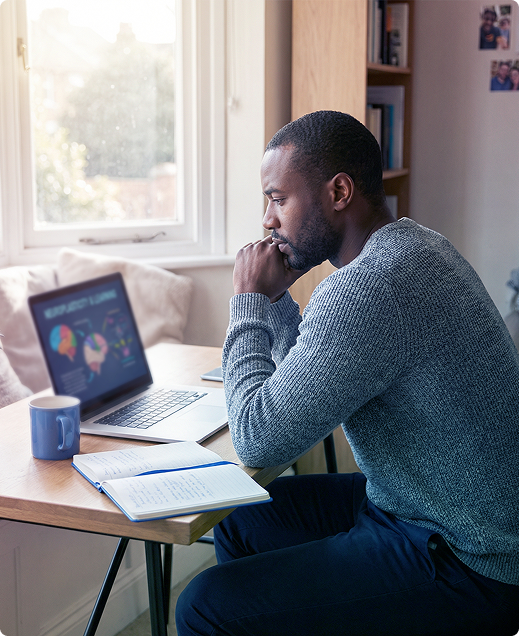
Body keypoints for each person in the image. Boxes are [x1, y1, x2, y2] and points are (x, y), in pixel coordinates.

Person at [175, 111, 519, 635]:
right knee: (240, 517)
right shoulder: (415, 244)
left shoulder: (367, 289)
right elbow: (313, 372)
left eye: (277, 198)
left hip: (471, 557)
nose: (267, 220)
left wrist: (247, 303)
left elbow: (257, 440)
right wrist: (276, 300)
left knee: (203, 604)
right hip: (428, 507)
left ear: (338, 192)